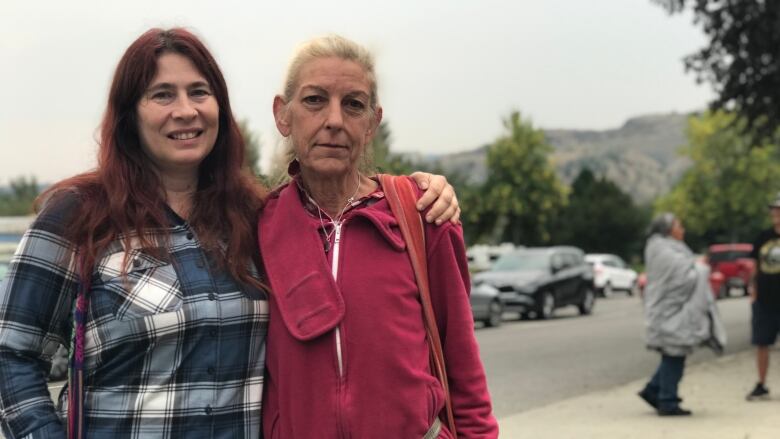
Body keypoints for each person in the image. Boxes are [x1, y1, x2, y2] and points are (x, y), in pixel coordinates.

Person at [0, 28, 459, 438]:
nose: (185, 111)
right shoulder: (79, 215)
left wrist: (422, 188)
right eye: (162, 95)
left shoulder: (255, 216)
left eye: (199, 92)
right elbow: (10, 356)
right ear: (129, 115)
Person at [258, 34, 499, 438]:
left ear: (372, 122)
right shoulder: (256, 225)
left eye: (353, 104)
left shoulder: (422, 214)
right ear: (283, 115)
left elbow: (463, 366)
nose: (334, 120)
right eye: (315, 100)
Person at [637, 213, 726, 416]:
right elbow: (682, 277)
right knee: (674, 354)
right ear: (668, 230)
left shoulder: (664, 248)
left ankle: (653, 390)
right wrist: (701, 268)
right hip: (669, 310)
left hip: (671, 310)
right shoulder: (662, 250)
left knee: (674, 353)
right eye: (679, 225)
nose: (682, 229)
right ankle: (667, 400)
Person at [746, 192, 780, 400]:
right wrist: (753, 290)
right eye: (774, 210)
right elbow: (754, 266)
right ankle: (761, 383)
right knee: (762, 343)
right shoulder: (763, 237)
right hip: (765, 300)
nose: (776, 213)